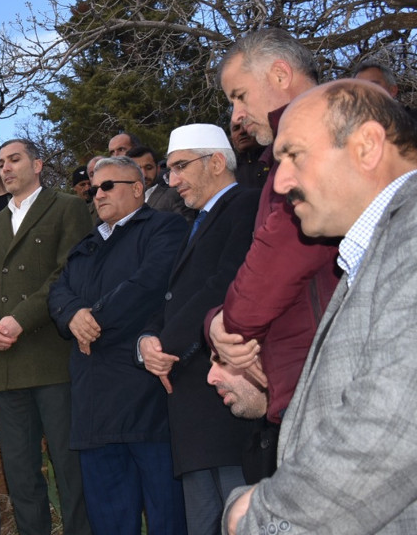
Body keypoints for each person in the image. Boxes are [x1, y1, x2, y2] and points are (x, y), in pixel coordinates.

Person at [224, 79, 417, 534]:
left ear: (367, 146)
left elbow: (398, 428)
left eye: (294, 156)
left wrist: (266, 517)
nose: (282, 181)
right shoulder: (373, 253)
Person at [209, 29, 339, 473]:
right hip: (308, 382)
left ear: (280, 74)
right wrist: (217, 324)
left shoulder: (322, 137)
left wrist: (231, 325)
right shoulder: (276, 164)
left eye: (240, 96)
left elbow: (281, 255)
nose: (238, 115)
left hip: (328, 386)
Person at [49, 156, 189, 535]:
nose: (98, 194)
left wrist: (93, 317)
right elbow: (59, 291)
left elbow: (150, 283)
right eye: (94, 188)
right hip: (94, 403)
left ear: (138, 187)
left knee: (168, 517)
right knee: (109, 520)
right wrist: (71, 314)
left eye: (108, 185)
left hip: (146, 399)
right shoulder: (87, 244)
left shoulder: (166, 227)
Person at [136, 124, 261, 535]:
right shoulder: (196, 221)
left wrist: (167, 345)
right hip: (188, 396)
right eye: (170, 170)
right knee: (203, 518)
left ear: (218, 161)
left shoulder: (246, 204)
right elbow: (172, 297)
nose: (171, 181)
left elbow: (226, 281)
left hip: (225, 393)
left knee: (239, 515)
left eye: (180, 167)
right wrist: (147, 343)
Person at [0, 138, 92, 535]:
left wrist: (20, 319)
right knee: (20, 474)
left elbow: (68, 273)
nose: (5, 168)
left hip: (52, 358)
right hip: (5, 365)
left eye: (14, 159)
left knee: (70, 470)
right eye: (0, 162)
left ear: (38, 164)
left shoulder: (68, 207)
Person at [352, 59, 417, 176]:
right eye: (360, 88)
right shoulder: (351, 133)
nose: (367, 92)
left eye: (374, 85)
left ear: (392, 90)